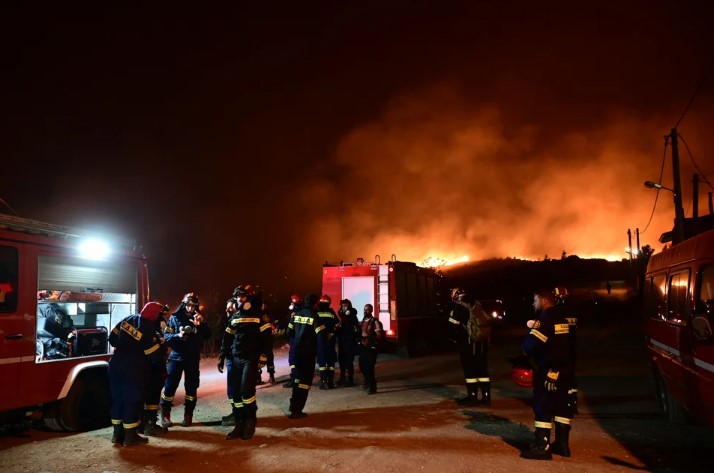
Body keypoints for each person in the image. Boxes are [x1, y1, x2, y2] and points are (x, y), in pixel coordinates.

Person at [520, 288, 576, 460]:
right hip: (565, 370)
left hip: (548, 371)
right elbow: (569, 345)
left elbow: (529, 346)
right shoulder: (563, 317)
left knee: (542, 405)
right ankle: (562, 445)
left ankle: (542, 446)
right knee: (561, 406)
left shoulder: (545, 319)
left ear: (544, 301)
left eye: (535, 300)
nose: (533, 303)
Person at [108, 301, 167, 447]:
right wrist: (163, 347)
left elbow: (112, 338)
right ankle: (130, 437)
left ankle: (117, 435)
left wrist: (125, 347)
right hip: (134, 367)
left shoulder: (127, 319)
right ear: (154, 316)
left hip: (116, 363)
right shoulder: (148, 328)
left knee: (118, 399)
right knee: (132, 400)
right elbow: (153, 353)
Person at [160, 292, 212, 428]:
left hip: (192, 358)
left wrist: (200, 325)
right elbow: (167, 338)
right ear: (184, 304)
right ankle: (165, 415)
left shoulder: (199, 318)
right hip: (176, 357)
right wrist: (178, 335)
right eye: (188, 305)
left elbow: (208, 335)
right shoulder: (174, 318)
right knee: (170, 386)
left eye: (193, 306)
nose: (190, 308)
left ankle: (188, 416)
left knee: (191, 387)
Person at [219, 285, 263, 440]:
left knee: (247, 392)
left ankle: (250, 422)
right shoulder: (235, 317)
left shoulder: (258, 315)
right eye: (237, 297)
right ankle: (239, 424)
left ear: (249, 298)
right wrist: (223, 355)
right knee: (235, 394)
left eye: (242, 297)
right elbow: (228, 337)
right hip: (236, 358)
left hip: (249, 359)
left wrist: (264, 357)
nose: (239, 299)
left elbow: (266, 339)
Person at [287, 293, 332, 418]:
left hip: (297, 353)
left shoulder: (296, 315)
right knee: (304, 382)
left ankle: (293, 405)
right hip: (308, 354)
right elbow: (322, 334)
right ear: (314, 303)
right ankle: (297, 410)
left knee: (297, 380)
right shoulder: (314, 316)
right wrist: (328, 336)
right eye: (317, 303)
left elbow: (289, 332)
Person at [448, 287, 493, 406]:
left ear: (455, 296)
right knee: (482, 368)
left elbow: (454, 328)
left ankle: (472, 397)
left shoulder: (459, 308)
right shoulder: (477, 304)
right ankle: (486, 397)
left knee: (470, 370)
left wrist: (454, 339)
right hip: (482, 343)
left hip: (468, 344)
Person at [138, 304, 171, 437]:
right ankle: (150, 426)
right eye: (162, 314)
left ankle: (142, 425)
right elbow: (154, 349)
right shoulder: (152, 328)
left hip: (143, 366)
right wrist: (164, 348)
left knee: (144, 395)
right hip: (154, 366)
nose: (164, 317)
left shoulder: (141, 324)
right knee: (153, 395)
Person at [219, 297, 238, 426]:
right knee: (234, 388)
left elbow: (228, 342)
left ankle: (238, 416)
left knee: (234, 389)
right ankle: (237, 413)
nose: (227, 309)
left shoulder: (237, 320)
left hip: (235, 358)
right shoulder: (233, 320)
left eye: (231, 306)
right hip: (233, 357)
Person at [358, 303, 383, 394]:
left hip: (371, 347)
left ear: (371, 310)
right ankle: (366, 383)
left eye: (367, 310)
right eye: (364, 309)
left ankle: (372, 387)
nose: (365, 311)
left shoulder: (375, 321)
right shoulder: (363, 321)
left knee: (369, 368)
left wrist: (369, 337)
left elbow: (379, 335)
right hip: (363, 347)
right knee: (362, 366)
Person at [335, 298, 359, 387]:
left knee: (349, 361)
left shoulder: (352, 316)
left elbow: (356, 328)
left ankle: (350, 379)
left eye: (346, 305)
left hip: (349, 341)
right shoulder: (340, 316)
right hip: (341, 341)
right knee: (341, 361)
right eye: (342, 305)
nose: (344, 307)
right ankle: (342, 378)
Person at [316, 294, 338, 390]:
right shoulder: (331, 312)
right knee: (330, 360)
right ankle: (330, 381)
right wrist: (332, 333)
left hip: (320, 339)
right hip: (330, 339)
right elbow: (337, 324)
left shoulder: (316, 312)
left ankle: (323, 380)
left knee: (322, 360)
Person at [283, 294, 302, 388]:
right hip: (301, 338)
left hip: (294, 338)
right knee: (299, 359)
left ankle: (295, 379)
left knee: (293, 359)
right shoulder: (304, 312)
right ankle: (298, 378)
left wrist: (287, 340)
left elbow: (290, 328)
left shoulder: (294, 313)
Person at [257, 302, 277, 386]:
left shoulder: (267, 315)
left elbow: (272, 324)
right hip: (258, 341)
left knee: (269, 359)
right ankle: (258, 377)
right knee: (258, 360)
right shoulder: (256, 314)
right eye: (262, 305)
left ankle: (271, 376)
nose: (263, 307)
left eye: (265, 305)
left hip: (267, 341)